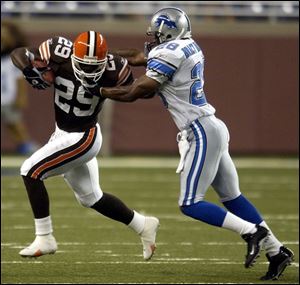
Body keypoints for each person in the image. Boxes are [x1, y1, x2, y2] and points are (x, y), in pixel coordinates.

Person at [97, 7, 294, 280]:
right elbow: (137, 56)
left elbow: (137, 91)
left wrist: (98, 90)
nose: (150, 37)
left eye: (155, 33)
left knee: (190, 203)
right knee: (232, 199)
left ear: (167, 33)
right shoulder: (185, 45)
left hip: (200, 130)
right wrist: (101, 55)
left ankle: (252, 232)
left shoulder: (169, 52)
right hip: (212, 126)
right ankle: (277, 252)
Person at [10, 31, 159, 261]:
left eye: (94, 66)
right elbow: (19, 53)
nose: (89, 71)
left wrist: (104, 91)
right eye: (84, 65)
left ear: (104, 60)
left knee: (30, 171)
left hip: (83, 136)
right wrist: (29, 69)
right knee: (90, 197)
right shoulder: (59, 52)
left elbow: (140, 91)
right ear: (72, 57)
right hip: (62, 133)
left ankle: (45, 237)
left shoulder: (113, 68)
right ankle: (143, 225)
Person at [1, 20, 38, 155]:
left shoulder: (13, 57)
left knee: (15, 124)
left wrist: (21, 96)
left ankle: (26, 146)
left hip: (8, 98)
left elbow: (19, 79)